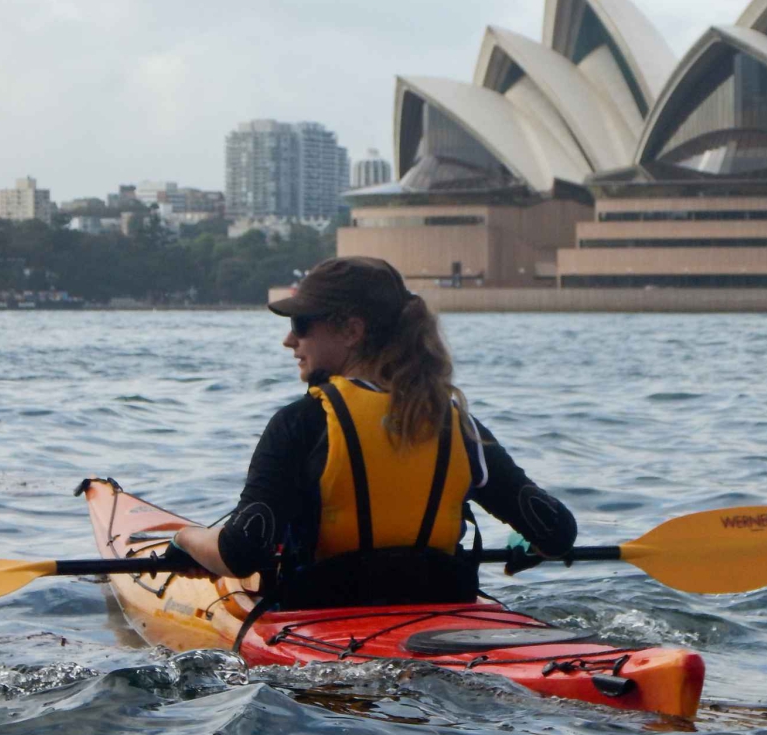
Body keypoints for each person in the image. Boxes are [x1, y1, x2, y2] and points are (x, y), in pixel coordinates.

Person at [170, 255, 577, 608]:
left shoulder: (303, 423)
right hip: (445, 618)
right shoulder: (457, 423)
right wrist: (533, 543)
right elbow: (557, 531)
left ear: (351, 331)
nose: (289, 340)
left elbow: (242, 551)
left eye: (301, 324)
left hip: (325, 635)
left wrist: (186, 539)